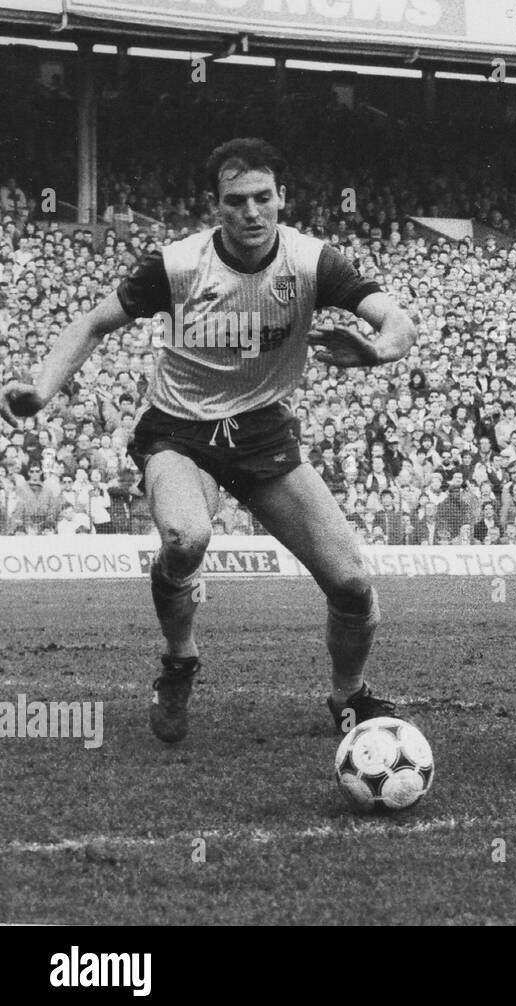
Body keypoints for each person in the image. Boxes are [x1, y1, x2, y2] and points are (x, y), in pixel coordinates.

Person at [0, 138, 417, 743]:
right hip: (179, 432)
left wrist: (377, 351)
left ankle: (350, 696)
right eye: (236, 201)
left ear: (282, 199)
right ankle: (179, 659)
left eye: (263, 198)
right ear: (215, 207)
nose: (251, 212)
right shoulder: (177, 266)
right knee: (185, 537)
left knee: (352, 582)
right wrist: (40, 390)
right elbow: (92, 322)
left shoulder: (312, 262)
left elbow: (399, 321)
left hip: (262, 431)